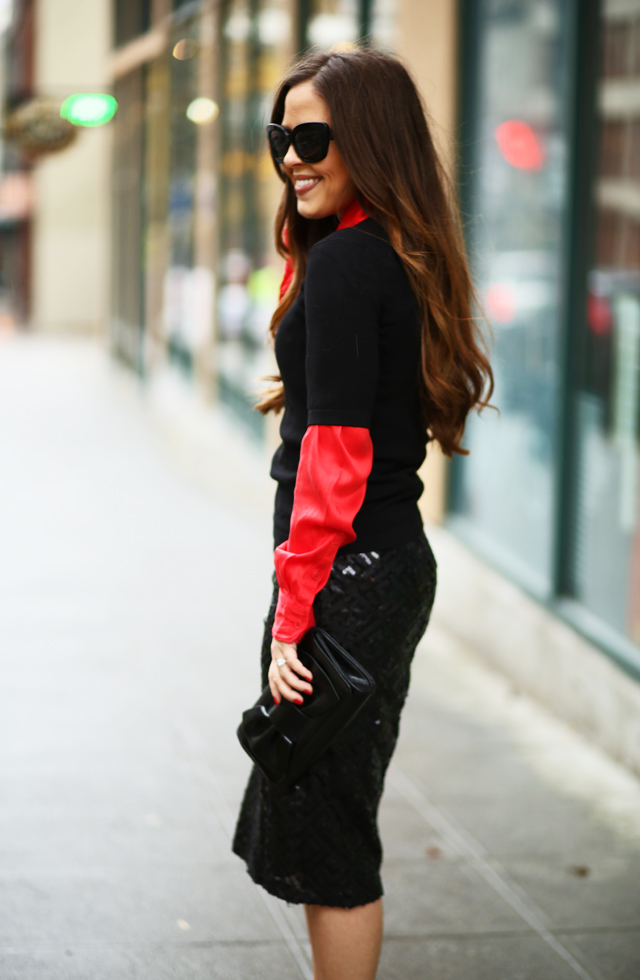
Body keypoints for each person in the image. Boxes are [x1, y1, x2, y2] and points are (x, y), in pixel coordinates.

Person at [233, 47, 493, 980]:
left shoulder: (350, 260)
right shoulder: (379, 250)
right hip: (380, 569)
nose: (292, 157)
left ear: (368, 142)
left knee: (331, 839)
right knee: (328, 817)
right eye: (281, 138)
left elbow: (333, 460)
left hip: (347, 577)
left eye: (312, 138)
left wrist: (294, 617)